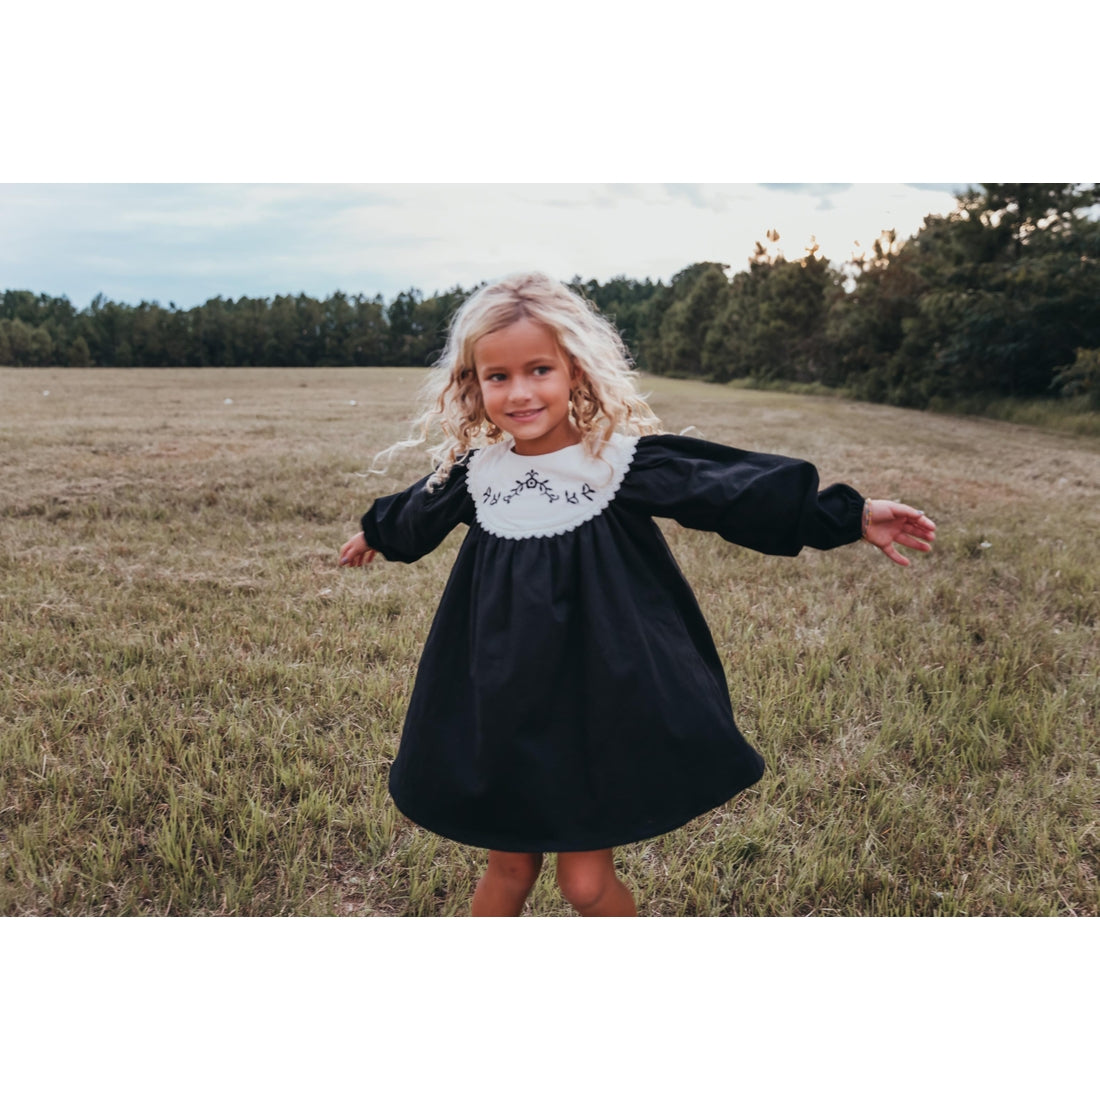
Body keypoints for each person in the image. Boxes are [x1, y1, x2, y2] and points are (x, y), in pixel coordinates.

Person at [339, 271, 935, 917]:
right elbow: (412, 516)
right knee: (508, 867)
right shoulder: (474, 475)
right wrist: (374, 534)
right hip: (499, 699)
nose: (519, 392)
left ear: (575, 372)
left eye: (539, 369)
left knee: (585, 885)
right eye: (498, 376)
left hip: (603, 699)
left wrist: (846, 515)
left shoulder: (621, 465)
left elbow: (733, 491)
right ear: (473, 385)